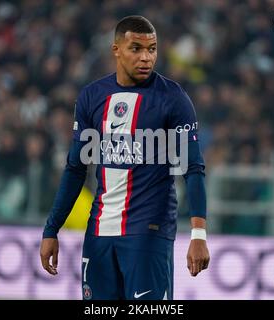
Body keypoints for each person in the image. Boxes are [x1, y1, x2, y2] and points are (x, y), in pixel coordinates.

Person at [40, 15, 210, 300]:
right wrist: (51, 229)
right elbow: (75, 169)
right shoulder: (92, 97)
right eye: (136, 49)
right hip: (99, 233)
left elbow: (193, 169)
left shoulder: (173, 99)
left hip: (148, 233)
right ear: (116, 50)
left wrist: (199, 234)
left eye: (152, 49)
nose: (146, 58)